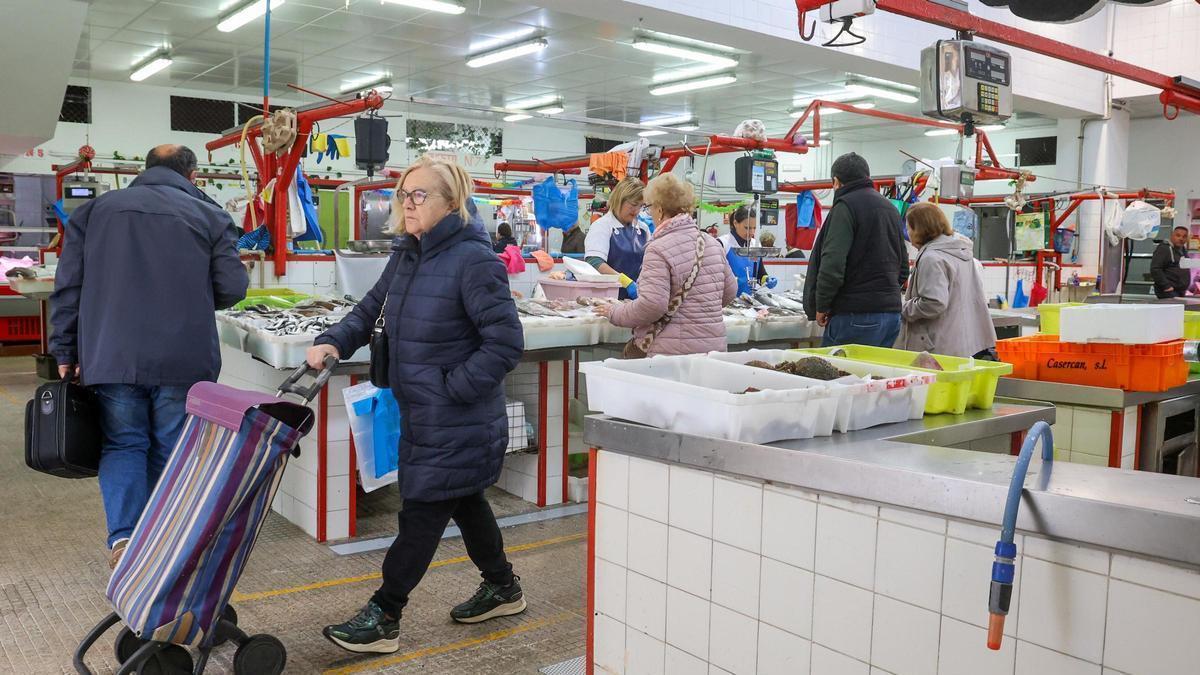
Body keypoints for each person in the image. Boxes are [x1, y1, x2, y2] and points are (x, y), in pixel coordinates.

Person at [306, 156, 525, 655]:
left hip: (456, 415)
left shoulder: (474, 261)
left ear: (452, 204)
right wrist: (333, 339)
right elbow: (370, 308)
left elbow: (506, 342)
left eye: (419, 195)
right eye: (403, 194)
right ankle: (504, 586)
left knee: (422, 511)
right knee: (466, 500)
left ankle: (385, 614)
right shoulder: (410, 252)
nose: (407, 203)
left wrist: (452, 389)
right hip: (426, 412)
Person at [49, 145, 248, 569]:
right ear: (192, 175)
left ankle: (125, 538)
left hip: (111, 354)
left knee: (123, 443)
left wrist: (64, 347)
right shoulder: (211, 216)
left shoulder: (95, 212)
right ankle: (163, 539)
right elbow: (232, 289)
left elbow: (69, 286)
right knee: (171, 448)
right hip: (183, 357)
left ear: (146, 169)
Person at [594, 173, 737, 356]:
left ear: (660, 210)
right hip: (713, 349)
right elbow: (730, 291)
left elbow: (652, 306)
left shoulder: (658, 248)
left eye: (649, 207)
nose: (647, 212)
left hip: (671, 355)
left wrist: (615, 312)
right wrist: (699, 309)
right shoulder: (711, 243)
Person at [803, 152, 909, 347]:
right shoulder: (891, 208)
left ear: (836, 182)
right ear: (867, 177)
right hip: (891, 317)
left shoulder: (845, 207)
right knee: (873, 376)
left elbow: (833, 263)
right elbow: (903, 266)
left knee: (837, 376)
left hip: (854, 316)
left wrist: (822, 305)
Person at [896, 203, 995, 358]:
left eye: (909, 228)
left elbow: (933, 303)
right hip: (961, 342)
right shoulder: (959, 251)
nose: (907, 233)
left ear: (920, 229)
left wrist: (903, 308)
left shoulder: (931, 258)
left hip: (938, 345)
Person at [585, 178, 650, 299]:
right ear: (619, 200)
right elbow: (594, 262)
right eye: (633, 205)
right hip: (606, 298)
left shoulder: (643, 229)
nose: (636, 211)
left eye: (640, 206)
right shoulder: (602, 226)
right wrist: (626, 282)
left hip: (637, 300)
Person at [718, 205, 775, 296]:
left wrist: (767, 279)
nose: (752, 232)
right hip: (726, 300)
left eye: (754, 228)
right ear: (735, 223)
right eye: (747, 228)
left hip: (748, 300)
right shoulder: (722, 243)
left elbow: (760, 273)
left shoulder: (755, 244)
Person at [1151, 225, 1190, 299]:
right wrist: (1166, 286)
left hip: (1180, 291)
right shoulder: (1164, 249)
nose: (1181, 238)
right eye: (1178, 235)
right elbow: (1155, 269)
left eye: (1184, 236)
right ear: (1172, 236)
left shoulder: (1182, 250)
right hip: (1168, 291)